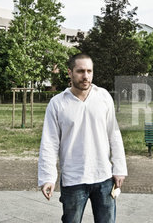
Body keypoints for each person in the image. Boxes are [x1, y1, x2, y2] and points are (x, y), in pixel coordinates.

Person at [38, 53, 128, 223]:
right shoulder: (57, 103)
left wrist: (119, 169)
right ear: (69, 72)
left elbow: (114, 134)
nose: (86, 76)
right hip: (74, 179)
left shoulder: (103, 97)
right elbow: (49, 143)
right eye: (80, 71)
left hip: (104, 177)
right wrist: (48, 177)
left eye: (89, 71)